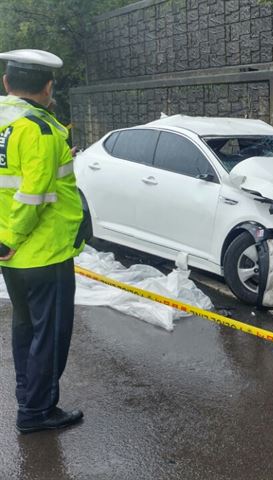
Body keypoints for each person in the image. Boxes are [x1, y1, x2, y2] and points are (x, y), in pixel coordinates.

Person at [0, 49, 88, 433]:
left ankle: (28, 397)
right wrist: (10, 239)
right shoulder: (41, 129)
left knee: (25, 329)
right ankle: (37, 412)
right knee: (49, 337)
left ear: (6, 84)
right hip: (42, 252)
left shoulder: (5, 123)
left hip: (12, 257)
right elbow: (32, 195)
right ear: (49, 86)